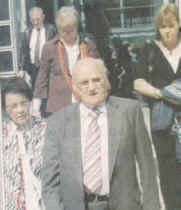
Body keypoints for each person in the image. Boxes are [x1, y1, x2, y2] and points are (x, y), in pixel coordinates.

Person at [42, 57, 161, 210]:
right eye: (84, 83)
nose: (91, 88)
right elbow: (50, 182)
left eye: (96, 80)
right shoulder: (58, 122)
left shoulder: (130, 111)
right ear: (75, 87)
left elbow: (148, 168)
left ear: (106, 81)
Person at [134, 3, 181, 210]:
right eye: (163, 27)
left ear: (179, 24)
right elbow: (137, 82)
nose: (167, 31)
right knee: (168, 172)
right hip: (163, 121)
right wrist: (161, 94)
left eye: (171, 25)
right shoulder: (150, 49)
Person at [33, 6, 100, 117]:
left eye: (70, 31)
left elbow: (99, 72)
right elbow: (42, 77)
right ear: (58, 29)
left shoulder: (88, 44)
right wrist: (36, 107)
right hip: (59, 106)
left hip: (86, 103)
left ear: (76, 27)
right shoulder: (49, 47)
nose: (67, 35)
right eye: (63, 31)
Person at [1, 78, 46, 210]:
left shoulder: (46, 129)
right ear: (5, 109)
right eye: (13, 106)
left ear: (30, 102)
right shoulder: (3, 135)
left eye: (23, 103)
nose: (20, 110)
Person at [20, 7, 56, 89]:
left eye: (38, 19)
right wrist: (22, 69)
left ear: (43, 17)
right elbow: (23, 52)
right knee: (35, 91)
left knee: (48, 90)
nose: (35, 22)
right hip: (33, 68)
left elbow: (56, 48)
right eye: (33, 20)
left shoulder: (51, 30)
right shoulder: (27, 32)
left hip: (47, 67)